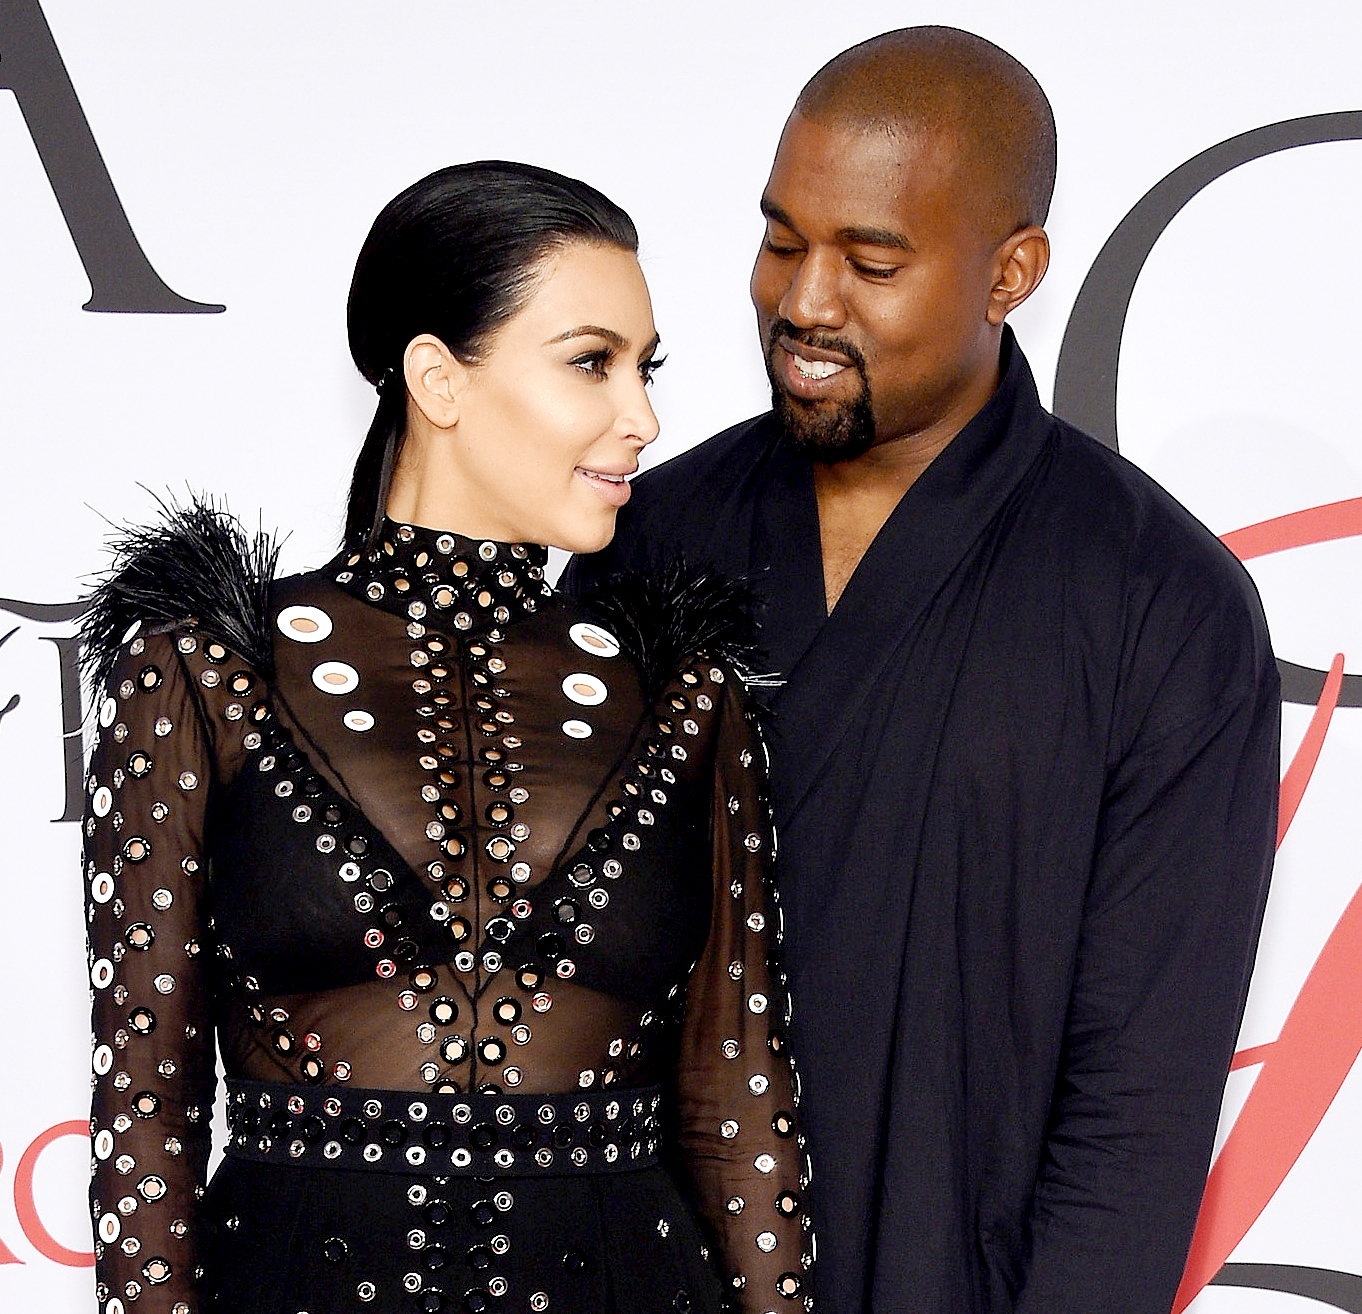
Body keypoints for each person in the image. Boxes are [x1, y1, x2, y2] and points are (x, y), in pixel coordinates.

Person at [565, 27, 1280, 1314]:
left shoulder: (1160, 608)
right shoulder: (645, 543)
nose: (803, 301)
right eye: (782, 239)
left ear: (1012, 272)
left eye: (872, 261)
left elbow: (1140, 1110)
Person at [80, 161, 812, 1314]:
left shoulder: (687, 692)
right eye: (592, 363)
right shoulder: (208, 666)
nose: (645, 419)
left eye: (646, 367)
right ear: (438, 378)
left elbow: (740, 1110)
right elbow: (147, 1110)